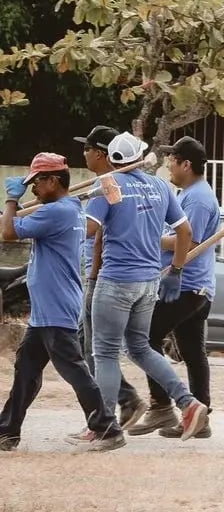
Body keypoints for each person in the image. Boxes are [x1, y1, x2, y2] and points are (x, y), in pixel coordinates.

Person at [81, 132, 210, 444]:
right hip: (149, 283)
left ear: (111, 159)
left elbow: (88, 230)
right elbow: (186, 231)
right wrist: (176, 270)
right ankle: (188, 403)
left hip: (115, 281)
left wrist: (69, 208)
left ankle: (106, 426)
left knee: (106, 352)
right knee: (140, 347)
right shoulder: (160, 186)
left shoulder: (108, 185)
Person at [0, 153, 123, 451]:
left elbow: (7, 231)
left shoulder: (57, 212)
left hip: (56, 307)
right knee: (26, 371)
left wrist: (10, 201)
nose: (32, 189)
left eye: (36, 182)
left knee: (74, 369)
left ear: (54, 181)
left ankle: (107, 427)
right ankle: (7, 431)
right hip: (49, 308)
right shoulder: (67, 208)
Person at [127, 137, 220, 439]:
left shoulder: (198, 198)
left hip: (187, 285)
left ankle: (161, 406)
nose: (168, 164)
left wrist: (149, 237)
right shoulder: (190, 193)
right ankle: (200, 417)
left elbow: (188, 241)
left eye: (172, 159)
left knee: (144, 339)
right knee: (193, 352)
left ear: (186, 164)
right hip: (193, 286)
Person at [72, 125, 147, 432]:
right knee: (92, 347)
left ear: (101, 154)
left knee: (97, 350)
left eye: (87, 148)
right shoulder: (106, 185)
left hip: (104, 279)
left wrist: (93, 277)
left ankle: (110, 415)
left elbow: (100, 235)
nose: (84, 153)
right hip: (105, 277)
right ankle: (124, 401)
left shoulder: (111, 187)